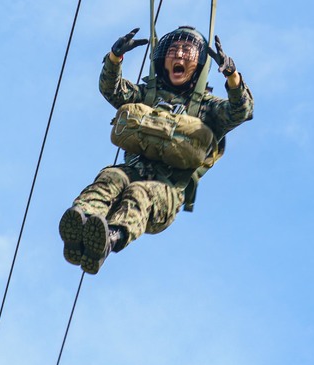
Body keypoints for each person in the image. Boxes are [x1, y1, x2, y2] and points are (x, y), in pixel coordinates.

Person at [59, 25, 254, 274]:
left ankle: (109, 238)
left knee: (140, 193)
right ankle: (81, 221)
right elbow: (112, 89)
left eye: (187, 51)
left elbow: (242, 110)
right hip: (132, 169)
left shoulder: (208, 108)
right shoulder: (147, 95)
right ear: (163, 59)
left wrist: (232, 76)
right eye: (173, 50)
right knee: (112, 177)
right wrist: (114, 58)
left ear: (199, 64)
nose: (179, 56)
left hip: (167, 190)